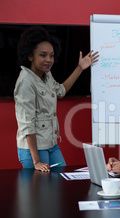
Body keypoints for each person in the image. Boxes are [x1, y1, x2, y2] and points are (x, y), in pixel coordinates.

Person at [15, 26, 99, 171]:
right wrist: (36, 162)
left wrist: (80, 68)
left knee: (60, 182)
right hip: (33, 150)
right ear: (30, 56)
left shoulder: (46, 75)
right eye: (43, 55)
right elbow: (27, 125)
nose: (49, 60)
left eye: (51, 55)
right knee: (41, 191)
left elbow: (61, 91)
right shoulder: (26, 82)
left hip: (51, 145)